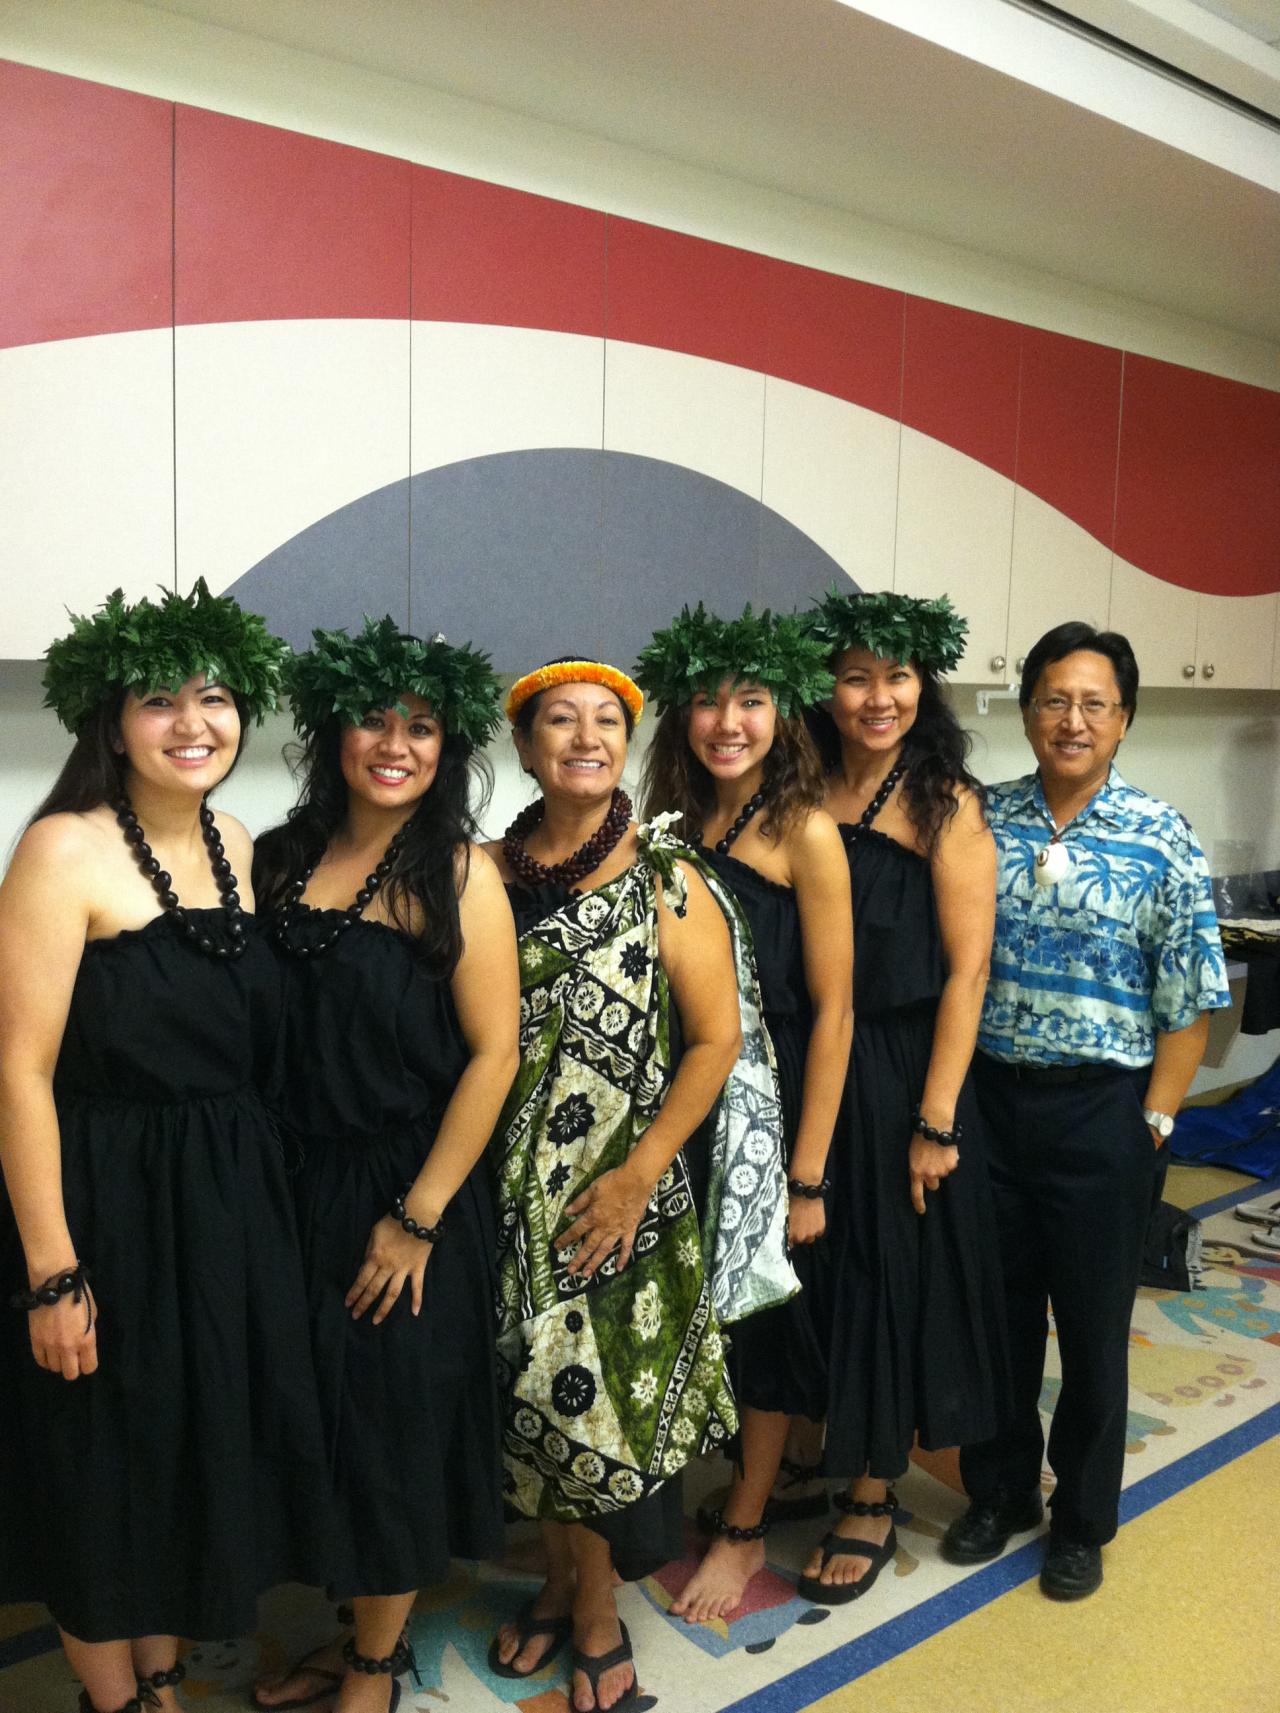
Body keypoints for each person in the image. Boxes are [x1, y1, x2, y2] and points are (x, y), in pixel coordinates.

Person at [0, 584, 333, 1713]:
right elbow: (20, 1072)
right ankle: (118, 1699)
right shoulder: (61, 849)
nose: (194, 722)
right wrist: (52, 1273)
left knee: (187, 1451)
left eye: (216, 697)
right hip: (110, 1203)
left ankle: (160, 1674)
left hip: (229, 1203)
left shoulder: (234, 841)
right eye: (159, 700)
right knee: (101, 1462)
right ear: (111, 720)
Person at [487, 657, 793, 1713]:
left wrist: (637, 1175)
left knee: (588, 1419)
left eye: (606, 724)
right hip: (503, 1187)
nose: (585, 739)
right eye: (560, 722)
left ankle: (593, 1613)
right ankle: (555, 1582)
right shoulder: (484, 872)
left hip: (617, 1191)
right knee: (526, 1403)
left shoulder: (668, 877)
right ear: (525, 746)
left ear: (627, 744)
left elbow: (715, 1040)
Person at [250, 619, 520, 1713]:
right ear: (333, 733)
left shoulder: (459, 872)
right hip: (292, 1181)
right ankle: (345, 1631)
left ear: (447, 747)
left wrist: (416, 1217)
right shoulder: (278, 859)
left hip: (410, 1184)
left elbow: (495, 1054)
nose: (396, 744)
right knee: (317, 1416)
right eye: (374, 720)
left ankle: (373, 1664)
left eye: (422, 727)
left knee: (389, 1431)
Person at [943, 621, 1230, 1600]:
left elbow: (1190, 998)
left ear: (1123, 720)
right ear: (1027, 710)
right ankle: (999, 1492)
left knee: (1094, 1329)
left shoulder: (1159, 836)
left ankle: (1079, 1520)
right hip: (990, 1103)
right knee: (997, 1319)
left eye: (1093, 704)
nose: (1072, 719)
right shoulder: (982, 818)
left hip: (1104, 1113)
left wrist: (1154, 1121)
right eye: (1054, 700)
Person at [634, 604, 853, 1623]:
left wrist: (806, 1175)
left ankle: (745, 1523)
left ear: (783, 716)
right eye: (708, 701)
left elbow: (835, 1010)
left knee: (763, 1316)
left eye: (752, 701)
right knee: (692, 1304)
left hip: (771, 1104)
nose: (728, 721)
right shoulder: (671, 823)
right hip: (682, 1092)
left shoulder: (805, 830)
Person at [796, 587, 1006, 1605]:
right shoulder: (803, 787)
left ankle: (872, 1493)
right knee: (819, 1271)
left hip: (901, 1070)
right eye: (855, 677)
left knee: (884, 1280)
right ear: (824, 690)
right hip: (816, 1059)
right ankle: (817, 1449)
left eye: (897, 677)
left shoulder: (944, 804)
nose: (878, 697)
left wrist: (934, 1120)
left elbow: (968, 972)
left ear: (924, 687)